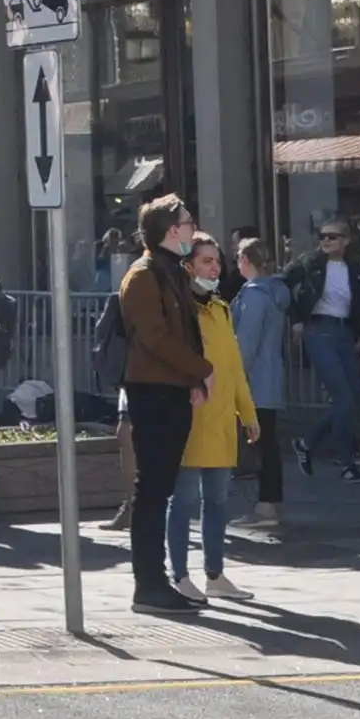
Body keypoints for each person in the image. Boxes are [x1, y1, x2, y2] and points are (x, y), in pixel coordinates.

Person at [119, 194, 214, 614]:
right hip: (152, 391)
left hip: (172, 388)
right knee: (153, 490)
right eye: (188, 222)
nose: (194, 228)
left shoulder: (171, 270)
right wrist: (202, 369)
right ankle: (149, 584)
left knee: (160, 488)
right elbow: (155, 338)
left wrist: (193, 378)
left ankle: (156, 584)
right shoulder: (143, 275)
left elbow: (184, 332)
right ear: (172, 230)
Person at [169, 233, 260, 606]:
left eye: (217, 261)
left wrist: (248, 413)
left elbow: (234, 367)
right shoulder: (180, 309)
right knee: (184, 501)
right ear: (188, 266)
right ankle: (179, 575)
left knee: (218, 501)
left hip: (221, 419)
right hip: (190, 419)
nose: (215, 268)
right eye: (206, 261)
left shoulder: (221, 308)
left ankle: (215, 574)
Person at [297, 212, 360, 482]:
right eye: (322, 236)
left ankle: (306, 443)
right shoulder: (310, 263)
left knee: (352, 397)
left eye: (332, 236)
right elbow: (284, 284)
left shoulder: (352, 268)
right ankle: (347, 464)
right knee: (342, 398)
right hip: (319, 331)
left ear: (346, 240)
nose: (326, 241)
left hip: (345, 332)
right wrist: (296, 319)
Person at [231, 237, 294, 525]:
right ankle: (270, 502)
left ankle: (266, 505)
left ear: (245, 261)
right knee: (266, 441)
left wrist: (235, 378)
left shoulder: (255, 296)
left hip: (254, 378)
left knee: (261, 442)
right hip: (268, 375)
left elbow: (246, 342)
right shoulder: (274, 292)